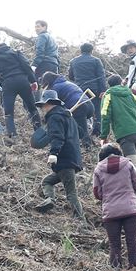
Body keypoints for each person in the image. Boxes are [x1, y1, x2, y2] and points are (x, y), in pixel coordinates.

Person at [92, 144, 136, 269]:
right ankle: (135, 269)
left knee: (114, 244)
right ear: (118, 152)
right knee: (132, 241)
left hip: (110, 211)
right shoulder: (128, 164)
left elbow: (97, 193)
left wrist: (107, 197)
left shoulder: (98, 169)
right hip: (130, 208)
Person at [32, 90, 83, 219]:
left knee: (71, 192)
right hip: (72, 158)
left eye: (43, 106)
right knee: (47, 181)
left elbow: (57, 137)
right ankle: (50, 199)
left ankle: (80, 218)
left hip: (64, 158)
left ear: (49, 104)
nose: (42, 109)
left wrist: (54, 153)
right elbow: (81, 133)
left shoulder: (54, 117)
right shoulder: (67, 116)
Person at [0, 43, 40, 138]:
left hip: (8, 84)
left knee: (9, 113)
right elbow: (26, 66)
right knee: (32, 109)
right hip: (23, 81)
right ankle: (39, 133)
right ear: (6, 47)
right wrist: (33, 81)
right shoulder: (15, 52)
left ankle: (12, 136)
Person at [99, 75, 136, 167]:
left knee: (133, 166)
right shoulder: (130, 94)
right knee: (130, 163)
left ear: (109, 85)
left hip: (125, 134)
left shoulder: (108, 95)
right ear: (121, 82)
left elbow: (105, 115)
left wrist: (104, 136)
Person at [40, 71, 94, 147]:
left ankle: (87, 146)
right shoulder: (67, 83)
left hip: (79, 107)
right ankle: (88, 141)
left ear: (48, 82)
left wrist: (46, 119)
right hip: (89, 106)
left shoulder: (55, 88)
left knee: (81, 129)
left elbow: (53, 106)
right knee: (80, 126)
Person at [68, 43, 106, 136]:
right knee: (96, 110)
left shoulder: (73, 61)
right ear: (91, 51)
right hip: (94, 89)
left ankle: (82, 132)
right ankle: (97, 131)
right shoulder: (96, 60)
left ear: (81, 50)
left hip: (80, 89)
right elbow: (101, 76)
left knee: (82, 110)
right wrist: (103, 90)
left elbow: (71, 76)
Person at [32, 20, 59, 85]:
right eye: (35, 27)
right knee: (52, 87)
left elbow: (40, 52)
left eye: (38, 27)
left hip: (44, 64)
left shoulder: (42, 36)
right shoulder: (52, 38)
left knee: (39, 86)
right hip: (54, 65)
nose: (36, 29)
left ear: (44, 27)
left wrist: (34, 65)